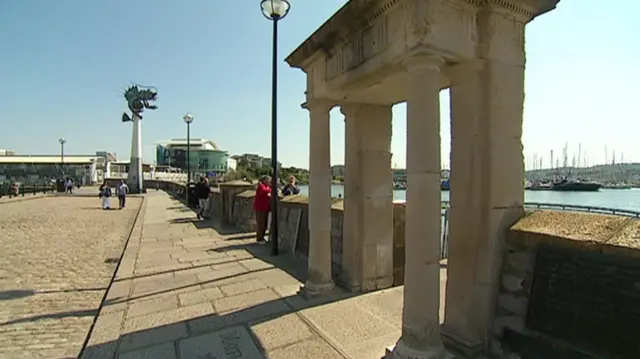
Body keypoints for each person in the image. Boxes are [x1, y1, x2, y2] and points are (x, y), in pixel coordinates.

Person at [253, 175, 272, 244]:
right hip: (260, 208)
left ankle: (262, 237)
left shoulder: (267, 186)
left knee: (264, 224)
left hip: (265, 208)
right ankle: (259, 239)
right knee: (261, 224)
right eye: (267, 180)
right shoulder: (261, 186)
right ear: (263, 180)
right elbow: (264, 191)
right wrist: (271, 190)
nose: (268, 181)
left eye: (269, 180)